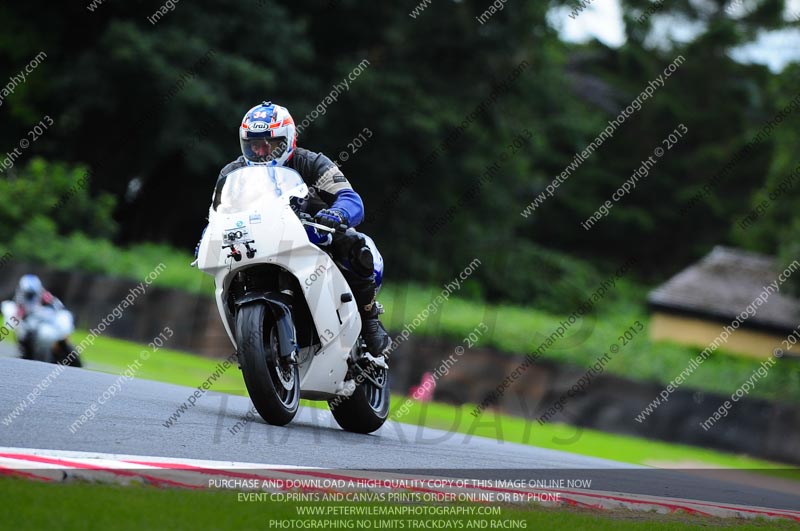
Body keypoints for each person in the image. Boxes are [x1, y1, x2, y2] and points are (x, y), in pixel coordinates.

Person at [209, 101, 392, 357]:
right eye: (254, 144)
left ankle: (369, 318)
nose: (261, 152)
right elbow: (217, 211)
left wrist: (337, 213)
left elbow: (351, 198)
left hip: (311, 233)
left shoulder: (311, 163)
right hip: (256, 240)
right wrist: (209, 234)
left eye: (269, 144)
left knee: (355, 244)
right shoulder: (232, 172)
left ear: (287, 140)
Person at [13, 274, 67, 360]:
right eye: (29, 292)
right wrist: (22, 317)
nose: (31, 294)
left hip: (41, 318)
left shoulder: (42, 292)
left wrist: (58, 306)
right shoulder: (20, 296)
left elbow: (54, 301)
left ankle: (57, 349)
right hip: (28, 321)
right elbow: (19, 311)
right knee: (22, 333)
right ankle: (24, 352)